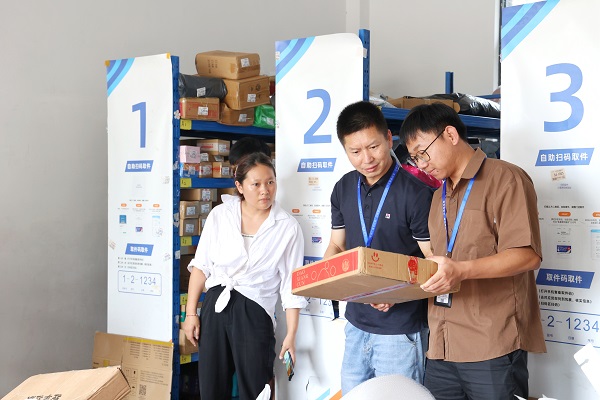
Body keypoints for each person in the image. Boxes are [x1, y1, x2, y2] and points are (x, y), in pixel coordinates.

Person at [398, 103, 546, 400]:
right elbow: (439, 266)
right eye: (414, 158)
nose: (421, 164)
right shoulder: (437, 196)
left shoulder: (506, 179)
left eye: (423, 153)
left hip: (491, 344)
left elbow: (527, 254)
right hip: (441, 345)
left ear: (450, 135)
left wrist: (461, 270)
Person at [324, 101, 434, 395]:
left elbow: (433, 262)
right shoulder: (343, 188)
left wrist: (395, 294)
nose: (366, 159)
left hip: (400, 331)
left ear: (388, 138)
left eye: (373, 147)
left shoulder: (416, 193)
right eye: (355, 151)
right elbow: (337, 244)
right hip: (356, 325)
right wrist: (327, 280)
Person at [182, 152, 308, 400]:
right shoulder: (221, 215)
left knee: (257, 388)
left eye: (270, 182)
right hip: (216, 306)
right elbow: (201, 266)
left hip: (255, 311)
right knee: (211, 387)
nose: (265, 191)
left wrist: (291, 334)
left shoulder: (287, 227)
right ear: (240, 186)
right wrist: (191, 314)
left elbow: (291, 287)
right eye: (256, 184)